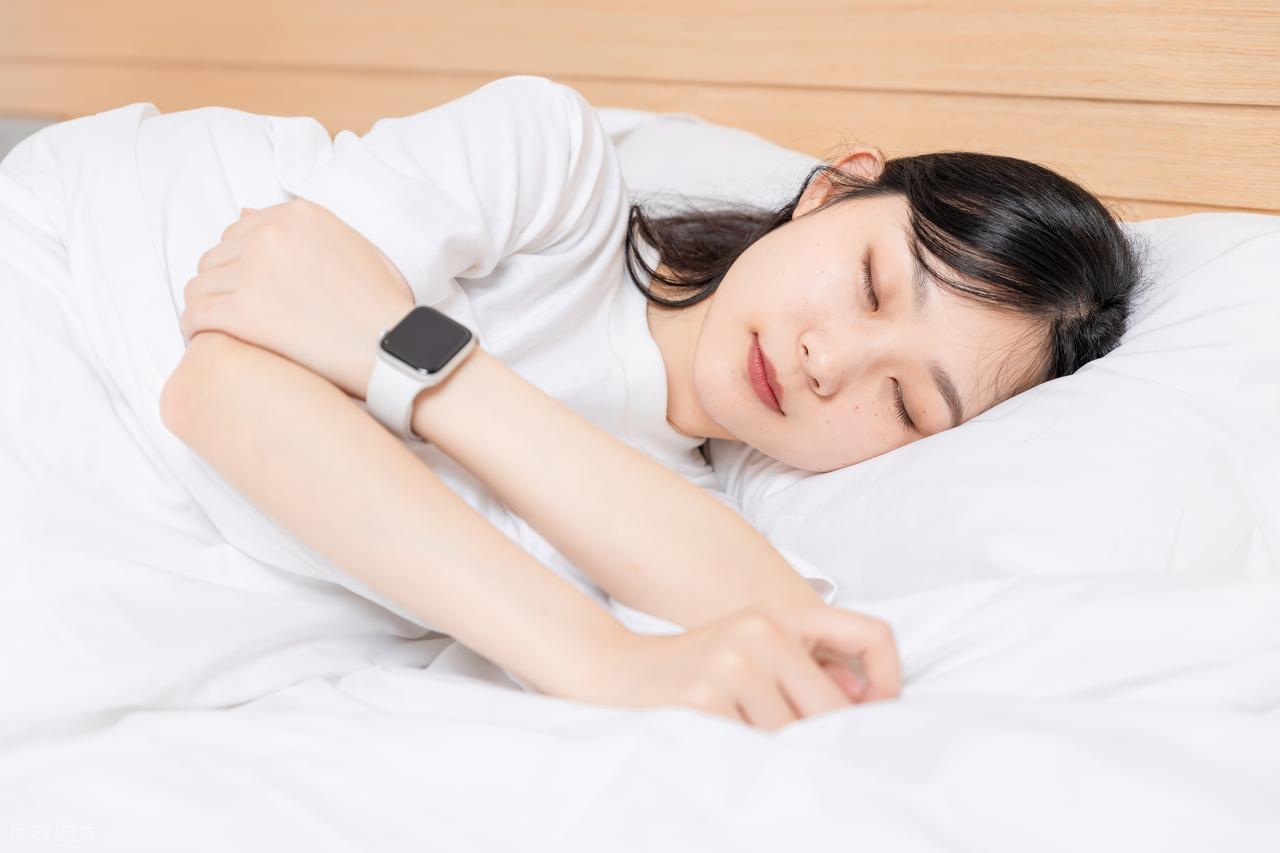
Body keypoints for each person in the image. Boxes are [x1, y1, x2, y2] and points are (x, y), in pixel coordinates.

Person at [161, 75, 1148, 731]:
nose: (829, 361)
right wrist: (607, 665)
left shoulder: (691, 526)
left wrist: (398, 345)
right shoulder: (550, 168)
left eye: (904, 401)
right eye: (871, 283)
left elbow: (793, 631)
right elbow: (222, 376)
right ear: (830, 193)